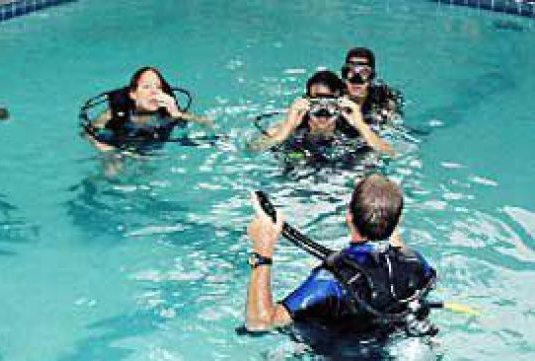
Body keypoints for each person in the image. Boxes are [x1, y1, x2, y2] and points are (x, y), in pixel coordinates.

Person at [243, 174, 437, 338]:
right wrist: (385, 217)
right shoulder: (415, 263)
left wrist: (263, 250)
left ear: (348, 216)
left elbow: (259, 323)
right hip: (390, 345)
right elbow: (398, 255)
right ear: (398, 221)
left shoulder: (329, 282)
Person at [250, 70, 395, 160]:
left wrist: (361, 125)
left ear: (340, 104)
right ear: (306, 102)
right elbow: (253, 149)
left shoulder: (354, 130)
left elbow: (391, 154)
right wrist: (287, 127)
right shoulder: (292, 126)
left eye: (330, 103)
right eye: (316, 102)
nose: (323, 111)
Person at [82, 66, 212, 153]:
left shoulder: (168, 113)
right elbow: (87, 132)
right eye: (146, 87)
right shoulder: (116, 112)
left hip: (150, 147)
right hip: (119, 143)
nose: (154, 91)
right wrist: (104, 148)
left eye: (158, 87)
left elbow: (205, 122)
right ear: (133, 94)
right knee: (112, 170)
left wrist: (176, 114)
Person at [341, 47, 402, 127]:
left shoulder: (383, 99)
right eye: (351, 71)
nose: (356, 79)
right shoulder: (335, 94)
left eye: (364, 72)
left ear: (372, 77)